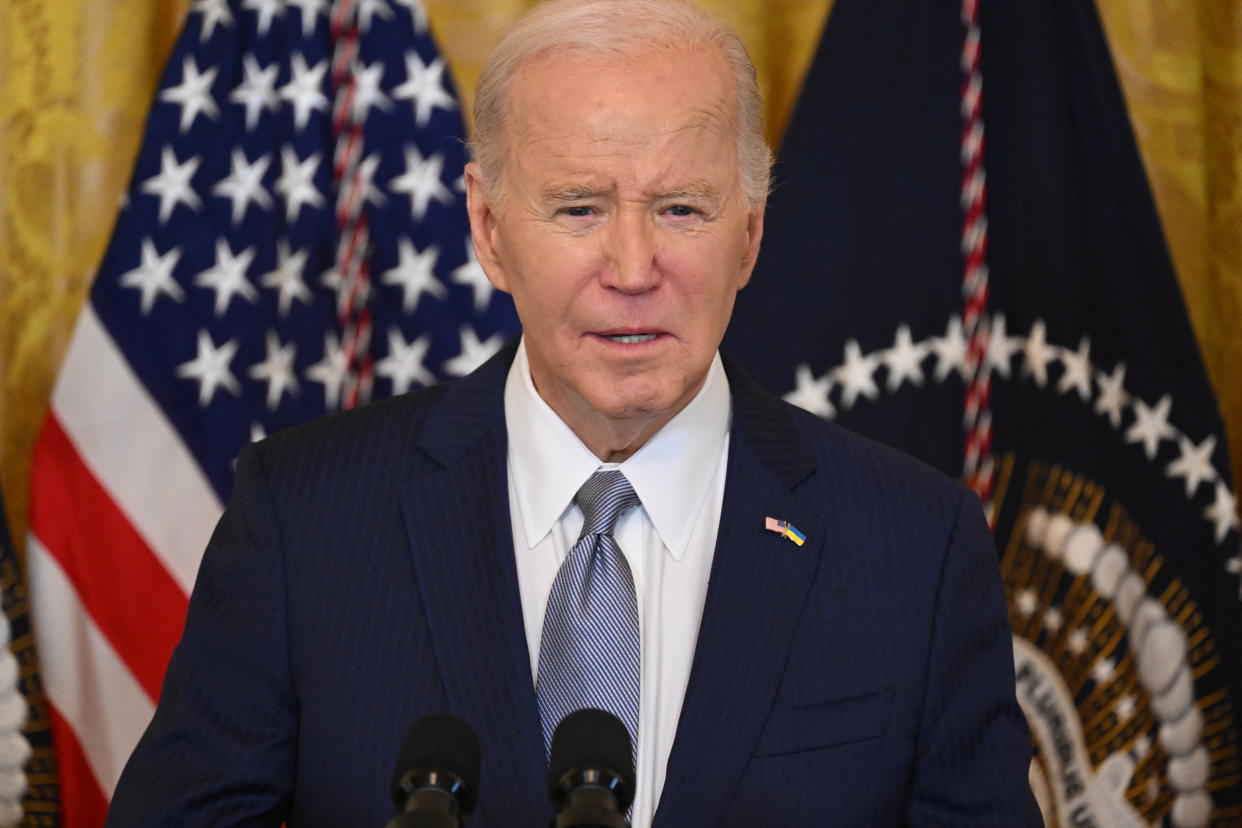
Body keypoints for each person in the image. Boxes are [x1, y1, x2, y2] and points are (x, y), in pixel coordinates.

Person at [107, 0, 1041, 825]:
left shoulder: (915, 545)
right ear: (487, 229)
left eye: (681, 209)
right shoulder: (304, 519)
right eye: (580, 208)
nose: (633, 271)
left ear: (750, 233)